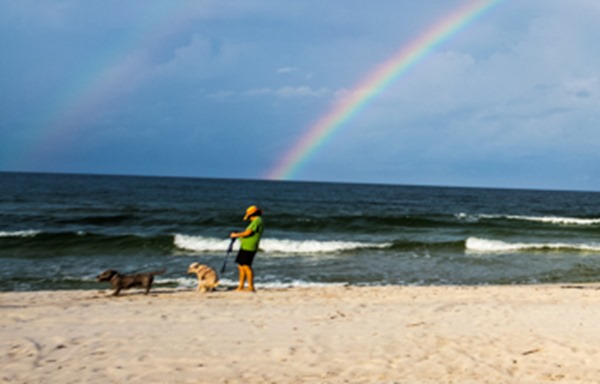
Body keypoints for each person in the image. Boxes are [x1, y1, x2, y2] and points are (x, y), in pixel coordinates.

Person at [230, 205, 264, 292]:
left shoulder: (257, 221)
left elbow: (248, 233)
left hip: (250, 246)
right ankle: (241, 286)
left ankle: (251, 286)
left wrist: (236, 235)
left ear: (252, 215)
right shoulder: (256, 221)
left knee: (246, 266)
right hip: (245, 246)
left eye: (249, 217)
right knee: (240, 266)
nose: (249, 219)